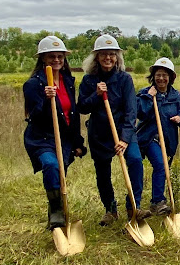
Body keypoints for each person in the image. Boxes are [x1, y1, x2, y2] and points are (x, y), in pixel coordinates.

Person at [77, 34, 150, 226]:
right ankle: (110, 210)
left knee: (135, 160)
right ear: (97, 57)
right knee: (102, 172)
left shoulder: (125, 79)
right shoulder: (88, 80)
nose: (108, 58)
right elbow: (82, 107)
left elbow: (131, 110)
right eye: (103, 54)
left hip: (123, 131)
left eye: (112, 54)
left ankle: (133, 206)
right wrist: (96, 94)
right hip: (99, 133)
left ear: (117, 57)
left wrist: (125, 138)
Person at [23, 36, 86, 230]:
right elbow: (34, 115)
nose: (57, 60)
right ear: (43, 58)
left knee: (60, 174)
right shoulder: (34, 84)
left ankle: (57, 216)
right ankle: (56, 209)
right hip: (42, 138)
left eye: (60, 56)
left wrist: (77, 142)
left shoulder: (67, 81)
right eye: (52, 57)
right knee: (51, 165)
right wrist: (45, 97)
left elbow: (72, 114)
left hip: (64, 138)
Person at [136, 57, 180, 216]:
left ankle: (155, 203)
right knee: (160, 165)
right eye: (158, 74)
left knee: (164, 169)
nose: (161, 78)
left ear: (170, 77)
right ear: (153, 76)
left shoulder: (176, 96)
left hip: (169, 139)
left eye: (165, 75)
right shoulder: (145, 93)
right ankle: (158, 201)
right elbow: (140, 113)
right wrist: (148, 98)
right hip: (150, 138)